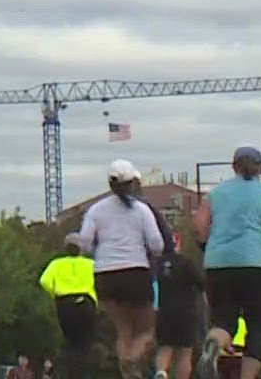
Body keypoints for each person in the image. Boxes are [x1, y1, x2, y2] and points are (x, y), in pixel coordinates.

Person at [195, 146, 261, 379]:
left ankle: (213, 348)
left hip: (218, 265)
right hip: (256, 265)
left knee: (223, 322)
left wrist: (207, 246)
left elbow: (198, 226)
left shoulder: (214, 195)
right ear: (260, 168)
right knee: (258, 326)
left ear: (233, 166)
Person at [78, 159, 163, 379]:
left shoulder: (96, 210)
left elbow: (84, 242)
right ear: (133, 183)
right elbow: (157, 244)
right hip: (135, 272)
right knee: (146, 331)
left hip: (105, 275)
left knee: (123, 331)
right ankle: (132, 363)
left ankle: (127, 374)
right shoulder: (141, 210)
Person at [39, 233, 98, 379]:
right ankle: (81, 374)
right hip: (86, 303)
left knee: (70, 341)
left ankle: (69, 374)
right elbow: (101, 281)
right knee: (84, 343)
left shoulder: (56, 264)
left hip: (65, 303)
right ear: (81, 248)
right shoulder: (90, 264)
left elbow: (44, 281)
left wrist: (55, 293)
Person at [154, 224, 205, 379]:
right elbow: (202, 286)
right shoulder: (187, 263)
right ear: (179, 243)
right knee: (184, 353)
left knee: (165, 349)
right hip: (186, 313)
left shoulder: (157, 265)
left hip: (164, 313)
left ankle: (161, 372)